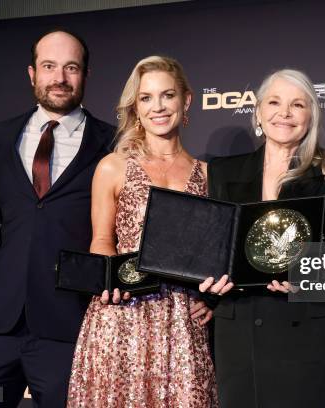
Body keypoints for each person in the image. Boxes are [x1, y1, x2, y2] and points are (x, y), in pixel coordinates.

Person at [0, 30, 116, 406]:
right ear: (32, 74)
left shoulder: (113, 143)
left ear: (86, 75)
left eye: (71, 67)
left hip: (68, 324)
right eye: (49, 66)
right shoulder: (0, 136)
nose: (59, 78)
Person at [67, 56, 218, 407]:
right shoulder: (113, 166)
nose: (158, 107)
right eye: (146, 98)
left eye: (167, 95)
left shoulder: (209, 175)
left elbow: (215, 253)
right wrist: (109, 284)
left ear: (186, 100)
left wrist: (210, 300)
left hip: (181, 320)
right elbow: (102, 240)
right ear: (136, 106)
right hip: (121, 312)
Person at [204, 69, 325, 408]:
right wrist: (209, 282)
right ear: (257, 111)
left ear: (311, 115)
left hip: (305, 329)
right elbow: (213, 248)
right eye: (274, 102)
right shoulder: (223, 172)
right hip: (238, 330)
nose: (284, 113)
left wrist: (314, 280)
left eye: (297, 105)